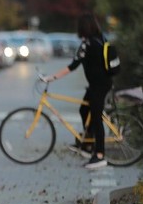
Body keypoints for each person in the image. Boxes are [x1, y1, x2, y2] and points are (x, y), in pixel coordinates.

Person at [43, 13, 112, 169]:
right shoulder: (100, 39)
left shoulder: (88, 44)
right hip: (99, 83)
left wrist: (52, 77)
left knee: (96, 118)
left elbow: (73, 66)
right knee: (83, 109)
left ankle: (100, 155)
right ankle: (87, 145)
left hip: (99, 86)